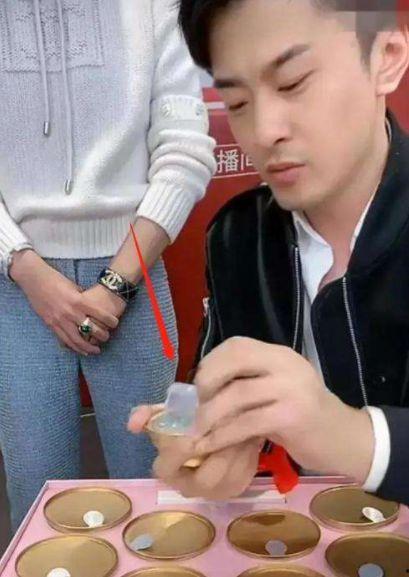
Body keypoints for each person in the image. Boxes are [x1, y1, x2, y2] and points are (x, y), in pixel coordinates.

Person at [128, 0, 409, 506]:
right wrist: (198, 435)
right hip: (287, 531)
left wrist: (350, 437)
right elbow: (212, 375)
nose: (263, 132)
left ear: (386, 57)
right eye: (237, 102)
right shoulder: (237, 235)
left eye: (293, 82)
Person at [0, 0, 215, 531]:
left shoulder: (155, 9)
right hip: (16, 286)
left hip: (134, 280)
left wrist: (116, 285)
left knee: (159, 491)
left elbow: (185, 149)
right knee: (37, 499)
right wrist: (24, 266)